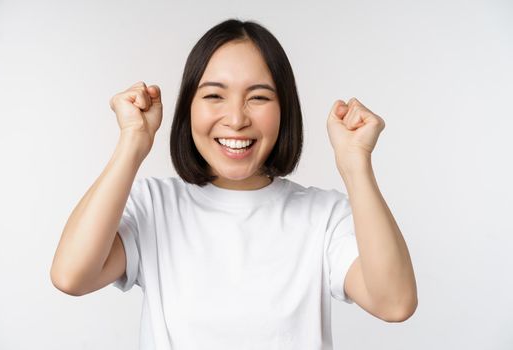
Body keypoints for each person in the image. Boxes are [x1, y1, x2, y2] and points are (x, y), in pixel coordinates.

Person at [50, 18, 417, 350]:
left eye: (258, 97)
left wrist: (356, 165)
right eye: (214, 95)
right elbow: (71, 276)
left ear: (284, 109)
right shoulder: (155, 206)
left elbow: (395, 303)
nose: (237, 118)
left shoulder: (324, 217)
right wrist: (133, 140)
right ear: (188, 108)